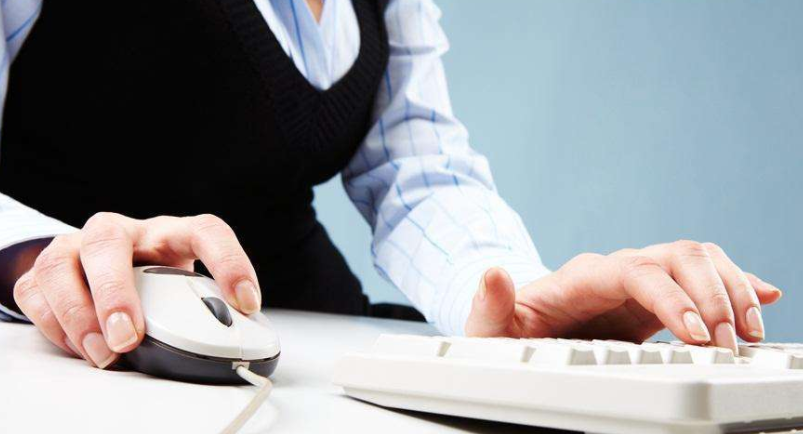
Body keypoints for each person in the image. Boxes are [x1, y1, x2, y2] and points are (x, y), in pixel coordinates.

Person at [0, 0, 782, 369]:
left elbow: (417, 168)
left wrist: (515, 297)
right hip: (79, 338)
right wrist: (37, 254)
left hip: (295, 334)